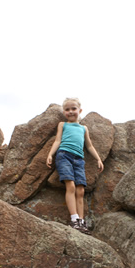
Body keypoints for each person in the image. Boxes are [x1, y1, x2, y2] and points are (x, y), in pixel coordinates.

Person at [46, 98, 104, 234]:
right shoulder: (63, 125)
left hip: (79, 160)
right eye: (67, 109)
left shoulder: (83, 128)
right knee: (70, 186)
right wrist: (50, 154)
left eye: (73, 109)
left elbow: (89, 145)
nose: (70, 112)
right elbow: (57, 140)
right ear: (64, 112)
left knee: (80, 191)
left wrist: (98, 159)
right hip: (64, 155)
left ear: (80, 111)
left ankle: (81, 222)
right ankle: (74, 219)